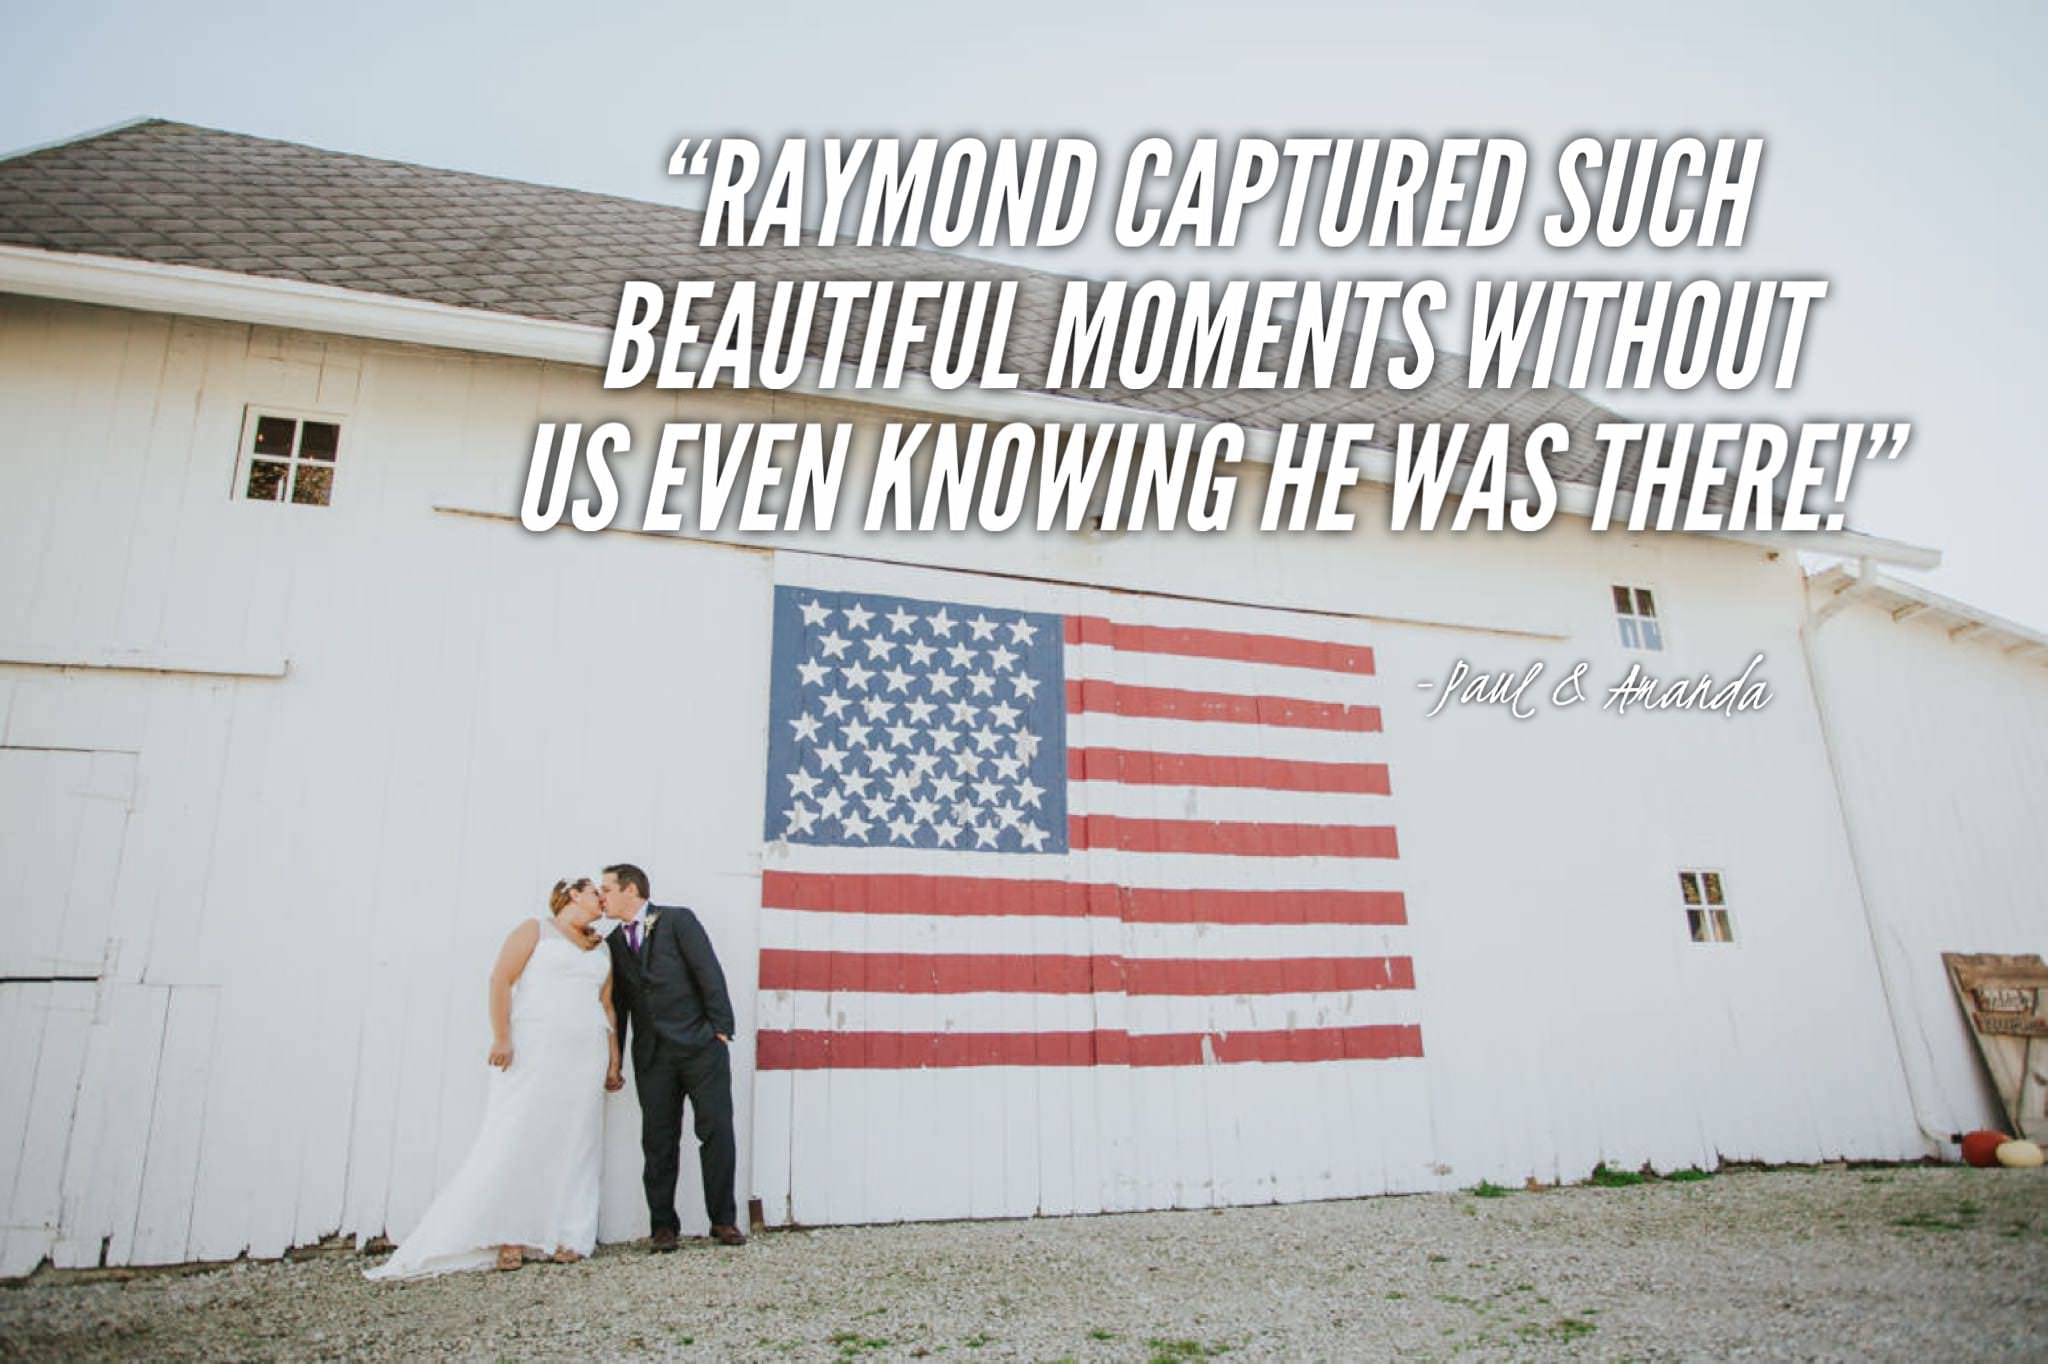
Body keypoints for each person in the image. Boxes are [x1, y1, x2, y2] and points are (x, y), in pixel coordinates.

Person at [366, 878, 623, 1279]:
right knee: (519, 1133)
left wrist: (613, 1060)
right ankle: (510, 1235)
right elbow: (500, 979)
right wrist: (502, 1036)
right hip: (536, 1048)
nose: (602, 900)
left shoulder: (600, 946)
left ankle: (568, 1233)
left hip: (584, 1054)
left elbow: (606, 1007)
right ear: (573, 894)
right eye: (596, 894)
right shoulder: (534, 930)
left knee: (576, 1138)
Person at [599, 862, 745, 1248]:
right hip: (652, 1055)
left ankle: (723, 1220)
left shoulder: (678, 920)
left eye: (607, 889)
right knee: (658, 1139)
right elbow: (619, 1006)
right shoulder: (613, 942)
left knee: (715, 1130)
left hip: (700, 1046)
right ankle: (663, 1226)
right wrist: (614, 1060)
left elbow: (708, 971)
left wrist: (721, 1029)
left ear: (631, 890)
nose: (602, 897)